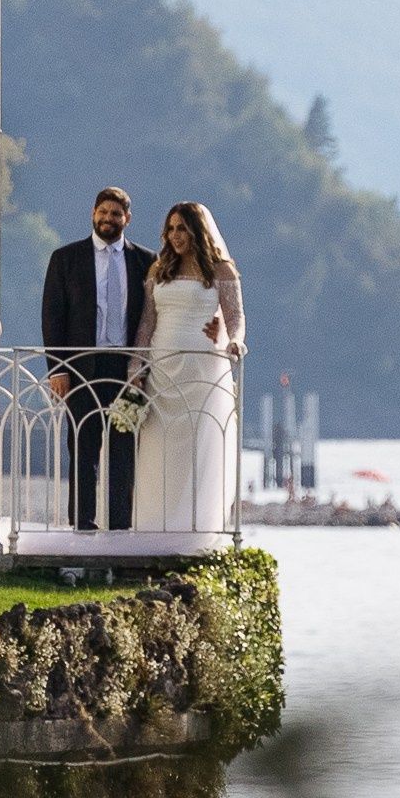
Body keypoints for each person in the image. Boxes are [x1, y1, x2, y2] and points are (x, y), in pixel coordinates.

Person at [40, 185, 153, 532]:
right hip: (81, 369)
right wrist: (58, 369)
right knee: (83, 449)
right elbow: (52, 317)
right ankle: (83, 526)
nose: (108, 218)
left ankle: (120, 528)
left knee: (124, 452)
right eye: (103, 212)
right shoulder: (66, 258)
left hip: (128, 371)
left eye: (115, 214)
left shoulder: (146, 261)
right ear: (93, 214)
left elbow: (154, 316)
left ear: (127, 219)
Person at [129, 199, 244, 536]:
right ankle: (154, 525)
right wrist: (135, 365)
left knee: (200, 446)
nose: (175, 235)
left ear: (197, 231)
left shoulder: (221, 271)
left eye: (182, 228)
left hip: (203, 367)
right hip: (162, 366)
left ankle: (198, 526)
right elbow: (146, 322)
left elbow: (235, 317)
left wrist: (234, 342)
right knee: (159, 447)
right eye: (171, 228)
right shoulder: (158, 269)